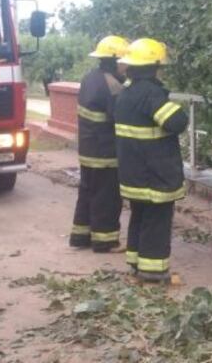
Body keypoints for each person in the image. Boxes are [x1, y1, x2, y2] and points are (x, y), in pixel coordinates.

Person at [114, 38, 190, 283]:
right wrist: (177, 108)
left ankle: (136, 265)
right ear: (152, 67)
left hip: (134, 173)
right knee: (156, 222)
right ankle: (153, 272)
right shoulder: (150, 94)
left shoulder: (126, 93)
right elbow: (176, 122)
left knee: (139, 217)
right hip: (154, 175)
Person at [69, 35, 130, 252]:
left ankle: (80, 236)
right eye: (125, 61)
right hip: (106, 152)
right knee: (107, 196)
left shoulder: (90, 77)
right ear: (115, 61)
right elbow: (120, 117)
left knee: (87, 191)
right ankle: (105, 241)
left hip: (88, 148)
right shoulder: (113, 86)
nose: (128, 65)